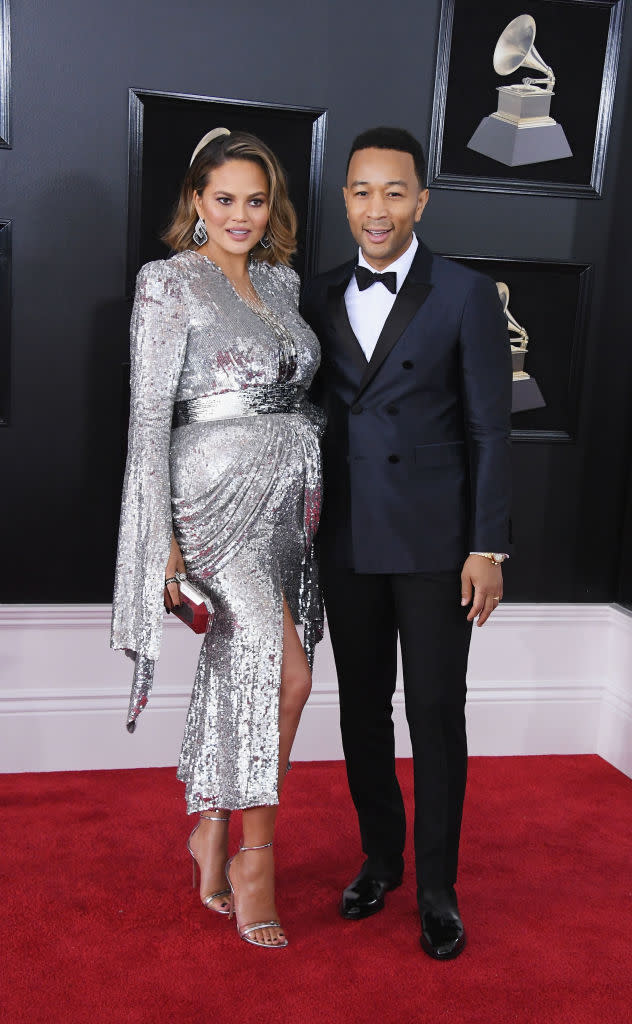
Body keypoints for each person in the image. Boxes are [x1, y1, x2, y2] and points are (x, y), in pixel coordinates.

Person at [300, 126, 511, 960]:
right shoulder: (315, 295)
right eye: (360, 191)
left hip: (434, 547)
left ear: (421, 200)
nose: (375, 208)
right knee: (361, 711)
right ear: (344, 198)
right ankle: (380, 860)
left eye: (394, 191)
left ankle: (437, 888)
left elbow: (491, 430)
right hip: (346, 541)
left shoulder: (463, 293)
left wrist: (486, 546)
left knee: (433, 714)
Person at [111, 128, 324, 949]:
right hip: (210, 502)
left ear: (272, 206)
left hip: (286, 506)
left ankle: (208, 827)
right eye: (224, 198)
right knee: (287, 678)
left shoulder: (282, 280)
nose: (240, 214)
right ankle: (253, 858)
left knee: (250, 674)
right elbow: (146, 420)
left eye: (255, 199)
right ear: (196, 201)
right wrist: (159, 538)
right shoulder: (167, 284)